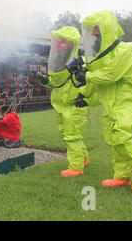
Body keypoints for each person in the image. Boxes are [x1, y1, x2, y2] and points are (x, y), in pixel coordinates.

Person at [75, 10, 132, 193]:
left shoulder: (124, 52)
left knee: (120, 133)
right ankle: (121, 176)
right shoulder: (100, 58)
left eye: (97, 32)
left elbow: (110, 75)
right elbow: (96, 79)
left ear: (106, 30)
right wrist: (83, 94)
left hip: (127, 98)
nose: (94, 37)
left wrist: (87, 76)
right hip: (111, 102)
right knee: (112, 137)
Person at [37, 26, 96, 177]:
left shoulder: (80, 65)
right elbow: (56, 82)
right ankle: (83, 158)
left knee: (72, 135)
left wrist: (84, 98)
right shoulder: (59, 64)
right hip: (60, 105)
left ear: (71, 44)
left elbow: (91, 83)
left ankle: (76, 167)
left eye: (64, 42)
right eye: (59, 41)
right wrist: (45, 81)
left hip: (74, 105)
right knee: (68, 133)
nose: (59, 45)